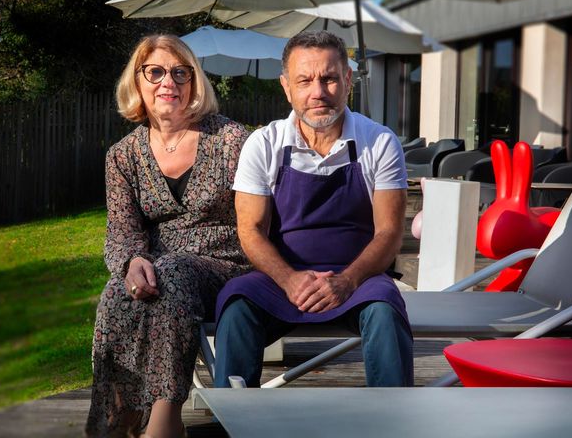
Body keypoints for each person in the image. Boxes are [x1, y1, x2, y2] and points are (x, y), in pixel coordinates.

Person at [213, 30, 414, 388]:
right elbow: (250, 230)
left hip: (360, 279)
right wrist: (290, 280)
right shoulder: (263, 144)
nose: (318, 92)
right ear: (287, 87)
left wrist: (347, 281)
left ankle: (394, 418)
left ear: (348, 80)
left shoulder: (379, 141)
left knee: (385, 309)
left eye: (329, 78)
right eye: (304, 80)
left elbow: (389, 233)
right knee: (237, 304)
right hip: (281, 279)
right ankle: (230, 418)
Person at [85, 35, 250, 438]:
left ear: (195, 82)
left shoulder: (230, 140)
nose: (168, 83)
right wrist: (131, 263)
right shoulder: (123, 155)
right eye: (155, 72)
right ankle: (115, 420)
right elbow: (122, 230)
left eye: (180, 73)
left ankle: (164, 421)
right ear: (137, 82)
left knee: (172, 272)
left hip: (227, 265)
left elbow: (258, 217)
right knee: (116, 292)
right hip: (160, 271)